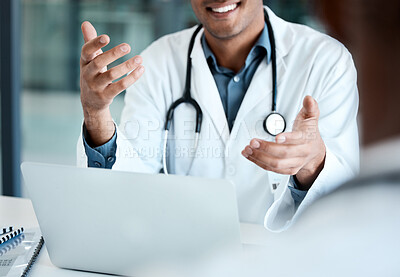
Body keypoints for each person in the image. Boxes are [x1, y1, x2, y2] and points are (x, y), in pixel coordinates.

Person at [76, 1, 359, 231]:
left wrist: (312, 163)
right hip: (184, 258)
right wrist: (96, 113)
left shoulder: (326, 61)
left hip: (284, 258)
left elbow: (350, 202)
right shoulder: (156, 62)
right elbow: (128, 189)